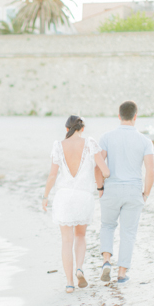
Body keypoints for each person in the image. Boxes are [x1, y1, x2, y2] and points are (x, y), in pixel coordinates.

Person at [42, 116, 110, 293]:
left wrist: (45, 196)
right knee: (80, 236)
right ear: (82, 129)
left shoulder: (58, 145)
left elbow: (52, 175)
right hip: (83, 197)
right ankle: (80, 268)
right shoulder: (90, 143)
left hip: (64, 197)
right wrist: (104, 181)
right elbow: (104, 170)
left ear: (67, 129)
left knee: (66, 241)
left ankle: (69, 283)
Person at [95, 101, 154, 284]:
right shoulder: (145, 141)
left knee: (107, 225)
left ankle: (106, 261)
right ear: (135, 117)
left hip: (111, 189)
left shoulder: (106, 137)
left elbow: (98, 166)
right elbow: (151, 171)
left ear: (119, 116)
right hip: (133, 190)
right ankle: (121, 273)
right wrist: (145, 193)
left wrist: (100, 188)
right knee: (128, 232)